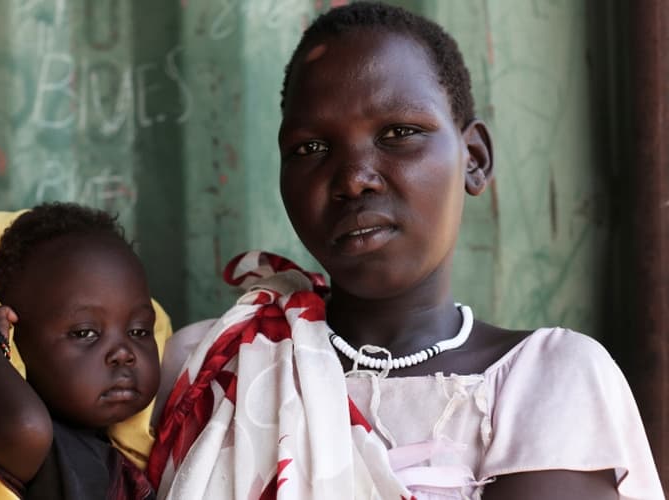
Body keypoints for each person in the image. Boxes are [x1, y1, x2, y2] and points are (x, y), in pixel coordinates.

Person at [148, 3, 663, 499]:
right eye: (311, 148)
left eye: (399, 133)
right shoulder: (210, 365)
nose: (353, 179)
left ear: (475, 160)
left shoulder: (549, 378)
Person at [0, 203, 160, 499]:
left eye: (139, 330)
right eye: (85, 333)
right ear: (15, 341)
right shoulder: (47, 453)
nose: (123, 353)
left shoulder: (136, 444)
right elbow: (24, 427)